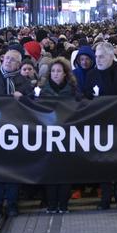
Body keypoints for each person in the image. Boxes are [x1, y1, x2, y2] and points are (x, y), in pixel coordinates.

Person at [0, 46, 32, 217]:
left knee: (13, 168)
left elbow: (33, 101)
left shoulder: (23, 81)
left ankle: (12, 202)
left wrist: (23, 98)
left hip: (15, 128)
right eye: (7, 58)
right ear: (2, 59)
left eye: (13, 60)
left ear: (18, 65)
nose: (9, 61)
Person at [85, 42, 117, 210]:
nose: (97, 60)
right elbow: (85, 98)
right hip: (100, 126)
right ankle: (105, 199)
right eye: (96, 57)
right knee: (103, 163)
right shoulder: (92, 74)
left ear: (110, 57)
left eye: (101, 57)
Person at [38, 57, 79, 213]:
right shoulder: (43, 91)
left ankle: (63, 204)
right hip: (49, 136)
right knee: (50, 173)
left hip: (67, 136)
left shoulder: (73, 90)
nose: (56, 74)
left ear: (65, 74)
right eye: (53, 71)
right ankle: (51, 204)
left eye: (59, 71)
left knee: (65, 173)